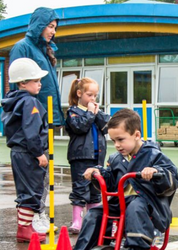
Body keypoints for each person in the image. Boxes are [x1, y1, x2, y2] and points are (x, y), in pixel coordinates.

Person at [75, 109, 178, 250]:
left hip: (149, 206)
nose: (117, 145)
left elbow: (172, 177)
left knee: (135, 207)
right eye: (113, 141)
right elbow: (111, 183)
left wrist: (156, 172)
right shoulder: (116, 159)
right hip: (120, 205)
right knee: (94, 215)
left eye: (120, 139)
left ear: (136, 135)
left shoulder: (153, 155)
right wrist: (97, 173)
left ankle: (137, 247)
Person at [1, 58, 50, 243]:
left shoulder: (13, 100)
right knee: (32, 189)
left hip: (17, 152)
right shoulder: (30, 102)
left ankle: (25, 226)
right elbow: (32, 131)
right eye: (36, 80)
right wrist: (38, 153)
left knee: (24, 190)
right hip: (29, 153)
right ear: (22, 82)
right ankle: (24, 229)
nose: (40, 84)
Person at [64, 77, 110, 234]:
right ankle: (77, 220)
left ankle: (93, 219)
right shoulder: (73, 112)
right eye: (89, 95)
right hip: (80, 157)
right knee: (80, 188)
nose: (93, 99)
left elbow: (106, 127)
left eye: (95, 96)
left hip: (97, 157)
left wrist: (97, 113)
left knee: (95, 190)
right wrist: (90, 113)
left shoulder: (96, 112)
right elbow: (80, 127)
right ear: (79, 94)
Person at [10, 7, 65, 127]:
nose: (54, 32)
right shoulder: (22, 47)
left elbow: (49, 86)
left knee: (46, 145)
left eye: (55, 28)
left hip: (46, 115)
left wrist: (55, 115)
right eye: (50, 26)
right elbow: (15, 87)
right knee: (34, 145)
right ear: (39, 25)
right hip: (31, 117)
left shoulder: (46, 50)